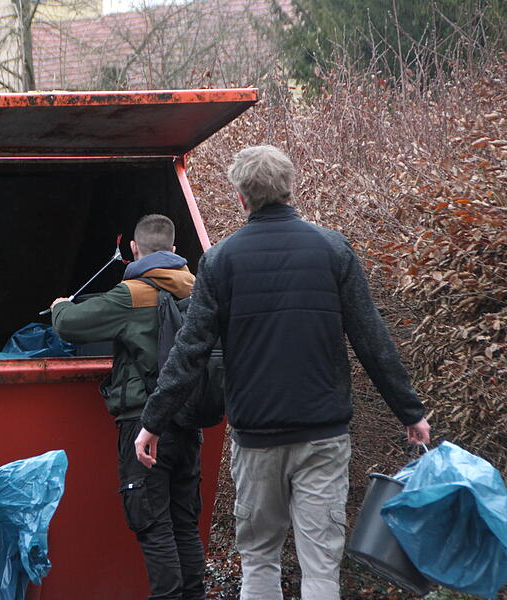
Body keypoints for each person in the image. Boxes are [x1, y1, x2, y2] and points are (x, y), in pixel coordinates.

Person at [134, 146, 431, 600]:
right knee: (319, 565)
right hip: (323, 435)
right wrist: (410, 412)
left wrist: (153, 421)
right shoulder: (334, 250)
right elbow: (372, 339)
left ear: (240, 197)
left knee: (258, 558)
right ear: (291, 188)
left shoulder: (220, 262)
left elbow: (188, 352)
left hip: (256, 437)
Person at [50, 214, 206, 600]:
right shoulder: (200, 289)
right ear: (174, 249)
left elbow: (71, 324)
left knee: (153, 524)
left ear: (134, 250)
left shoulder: (131, 294)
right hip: (189, 421)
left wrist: (58, 306)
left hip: (142, 423)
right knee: (184, 523)